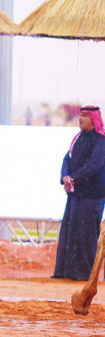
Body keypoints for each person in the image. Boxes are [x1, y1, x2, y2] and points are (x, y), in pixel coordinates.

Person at [53, 105, 105, 281]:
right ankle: (65, 272)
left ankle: (84, 275)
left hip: (93, 196)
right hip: (75, 194)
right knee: (69, 232)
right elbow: (66, 159)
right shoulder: (77, 139)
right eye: (80, 115)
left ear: (93, 119)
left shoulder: (101, 141)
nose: (80, 119)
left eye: (84, 116)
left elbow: (94, 165)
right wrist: (65, 176)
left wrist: (74, 178)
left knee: (87, 235)